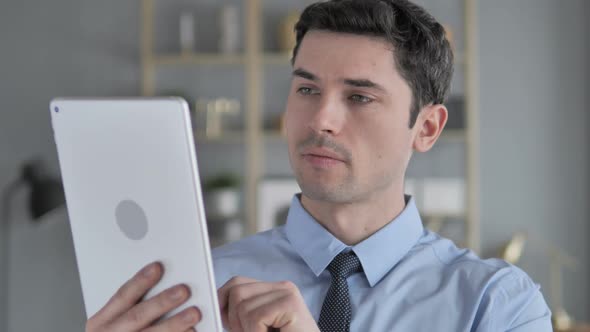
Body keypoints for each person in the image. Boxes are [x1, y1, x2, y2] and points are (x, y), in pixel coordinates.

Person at [86, 0, 552, 331]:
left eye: (359, 97)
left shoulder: (498, 306)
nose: (321, 119)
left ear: (426, 128)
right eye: (307, 89)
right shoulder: (195, 290)